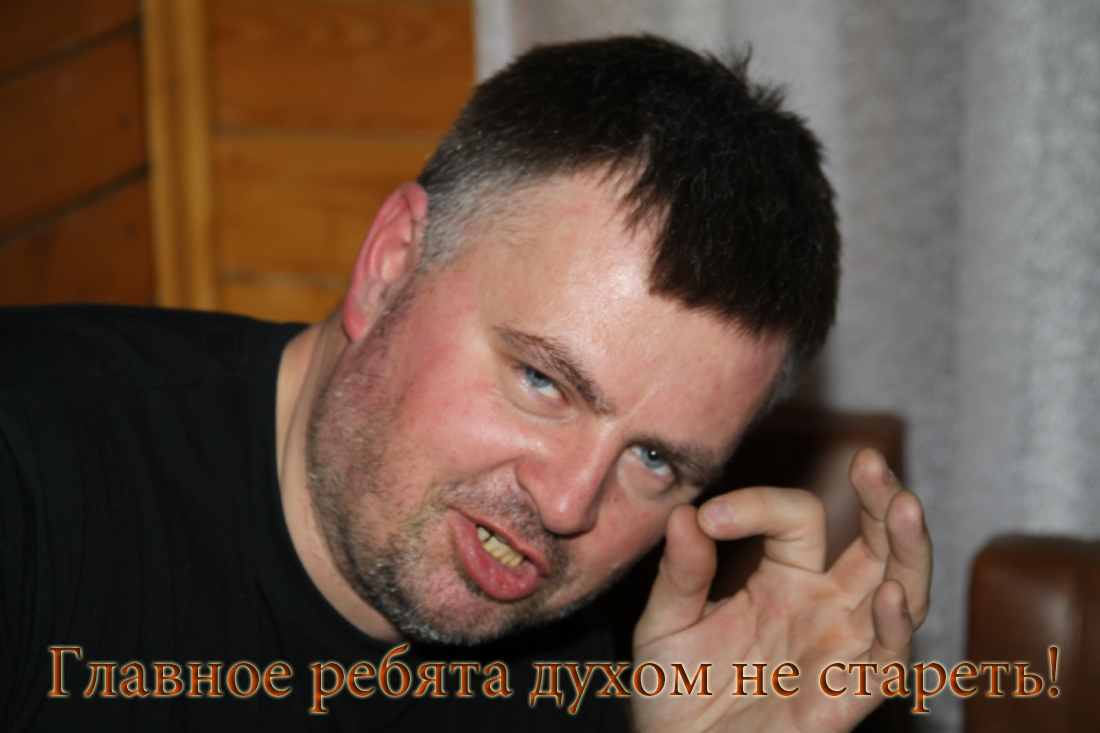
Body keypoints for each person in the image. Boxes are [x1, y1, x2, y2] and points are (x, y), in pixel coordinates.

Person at [0, 36, 931, 731]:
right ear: (391, 263)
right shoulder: (33, 473)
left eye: (654, 460)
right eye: (543, 379)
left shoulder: (594, 675)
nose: (568, 505)